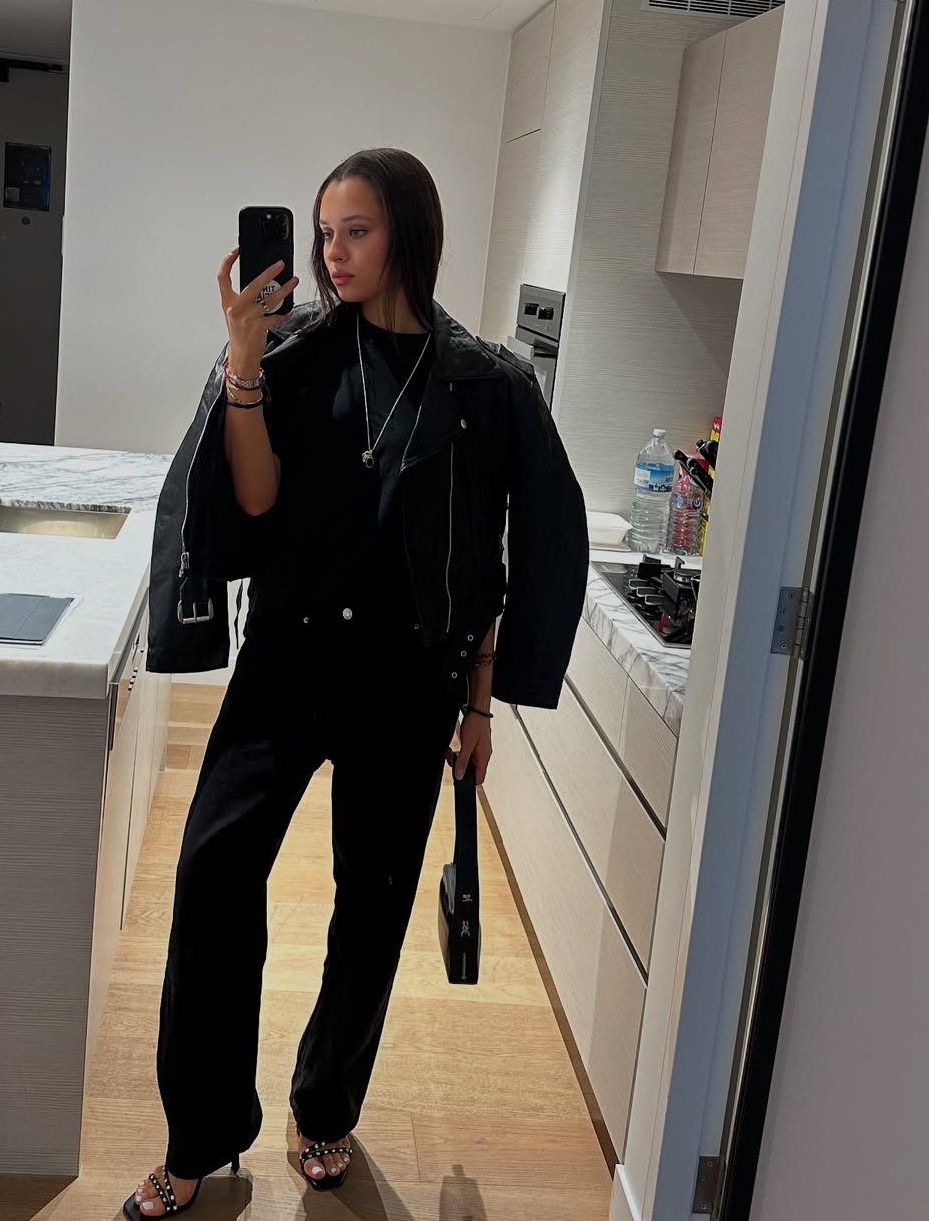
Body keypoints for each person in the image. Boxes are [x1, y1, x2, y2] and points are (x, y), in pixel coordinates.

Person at [125, 148, 588, 1217]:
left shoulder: (487, 385)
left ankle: (324, 1107)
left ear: (409, 233)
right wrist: (244, 362)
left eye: (357, 231)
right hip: (286, 659)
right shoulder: (294, 354)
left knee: (372, 906)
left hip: (407, 680)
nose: (334, 253)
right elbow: (252, 500)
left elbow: (496, 557)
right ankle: (199, 1134)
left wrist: (480, 704)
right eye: (326, 232)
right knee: (212, 876)